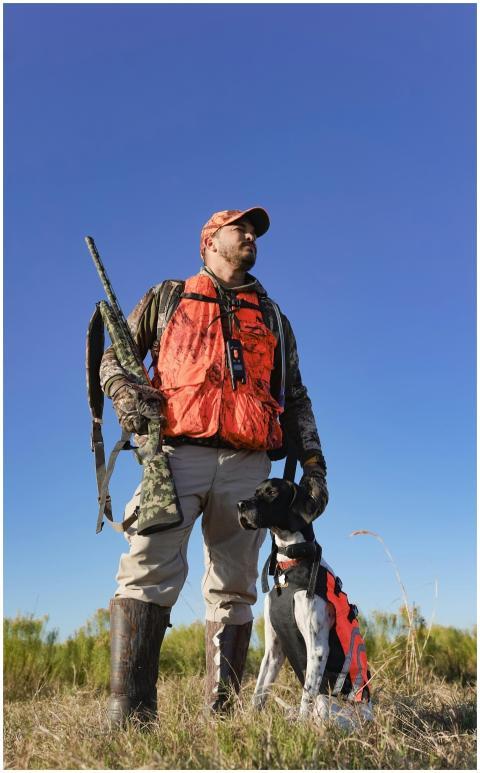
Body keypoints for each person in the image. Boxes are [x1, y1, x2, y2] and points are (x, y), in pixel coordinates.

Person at [99, 207, 329, 724]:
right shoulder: (167, 297)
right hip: (176, 456)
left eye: (255, 231)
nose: (249, 236)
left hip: (249, 465)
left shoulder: (273, 318)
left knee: (236, 586)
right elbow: (115, 358)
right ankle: (130, 715)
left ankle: (221, 715)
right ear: (209, 242)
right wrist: (128, 398)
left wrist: (314, 465)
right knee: (146, 570)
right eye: (239, 229)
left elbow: (295, 399)